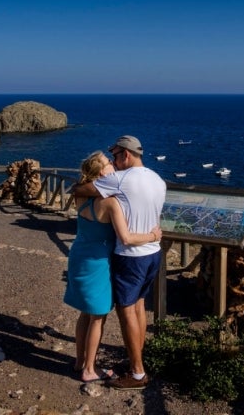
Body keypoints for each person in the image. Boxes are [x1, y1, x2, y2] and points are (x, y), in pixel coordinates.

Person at [72, 135, 166, 390]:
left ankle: (137, 371)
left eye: (114, 156)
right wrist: (154, 235)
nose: (113, 161)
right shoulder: (157, 179)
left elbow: (80, 190)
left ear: (125, 155)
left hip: (130, 256)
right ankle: (136, 358)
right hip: (153, 252)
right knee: (139, 306)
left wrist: (79, 186)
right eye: (109, 160)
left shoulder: (118, 181)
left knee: (125, 312)